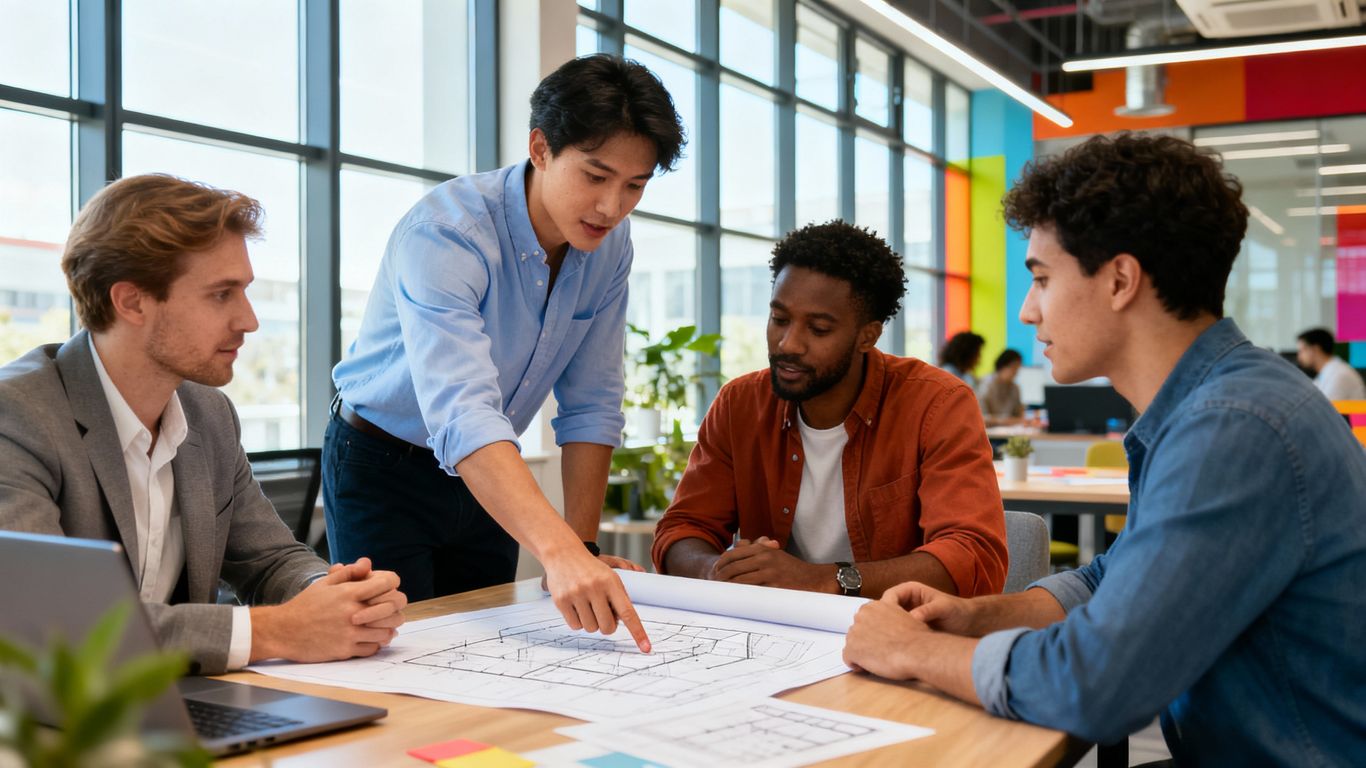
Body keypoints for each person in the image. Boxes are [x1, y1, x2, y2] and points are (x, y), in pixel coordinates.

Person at [842, 133, 1366, 763]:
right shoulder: (1213, 405)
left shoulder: (1234, 426)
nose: (1028, 311)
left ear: (1120, 279)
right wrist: (974, 616)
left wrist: (911, 650)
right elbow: (1108, 579)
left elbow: (1095, 685)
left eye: (1040, 278)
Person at [326, 54, 685, 652]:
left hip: (490, 473)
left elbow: (593, 402)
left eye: (634, 185)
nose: (611, 207)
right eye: (595, 176)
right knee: (395, 656)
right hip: (382, 464)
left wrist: (582, 549)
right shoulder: (446, 233)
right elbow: (463, 410)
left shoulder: (610, 245)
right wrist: (560, 549)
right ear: (541, 148)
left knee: (486, 654)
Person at [0, 175, 408, 676]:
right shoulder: (17, 415)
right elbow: (51, 624)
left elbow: (271, 558)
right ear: (131, 301)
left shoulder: (208, 414)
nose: (250, 320)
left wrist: (330, 596)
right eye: (221, 294)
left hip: (176, 702)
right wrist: (279, 630)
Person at [652, 220, 1008, 600]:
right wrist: (714, 570)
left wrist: (825, 579)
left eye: (819, 329)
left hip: (897, 636)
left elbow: (973, 556)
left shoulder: (936, 404)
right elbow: (682, 531)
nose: (788, 344)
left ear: (867, 336)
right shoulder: (739, 404)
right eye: (779, 319)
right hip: (772, 635)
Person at [1296, 327, 1366, 401]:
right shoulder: (1327, 373)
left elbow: (1323, 408)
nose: (1299, 357)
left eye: (1302, 350)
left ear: (1315, 349)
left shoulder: (1339, 374)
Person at [977, 349, 1026, 425]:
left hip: (1009, 432)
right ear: (1002, 365)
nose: (1016, 372)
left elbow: (1018, 415)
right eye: (1014, 367)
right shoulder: (986, 384)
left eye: (1018, 368)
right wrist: (1006, 421)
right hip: (990, 433)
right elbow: (981, 417)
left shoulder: (1015, 388)